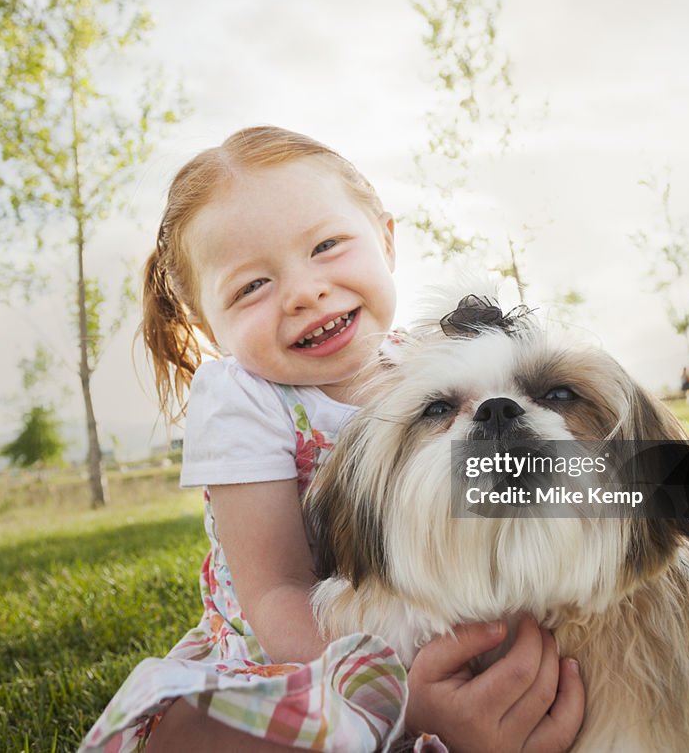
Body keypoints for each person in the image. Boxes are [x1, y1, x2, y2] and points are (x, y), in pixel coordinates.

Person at [78, 126, 584, 753]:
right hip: (311, 654)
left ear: (387, 241)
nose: (304, 291)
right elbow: (278, 594)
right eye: (251, 287)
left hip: (453, 618)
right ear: (206, 326)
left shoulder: (436, 365)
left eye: (326, 245)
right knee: (208, 736)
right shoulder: (244, 399)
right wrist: (401, 695)